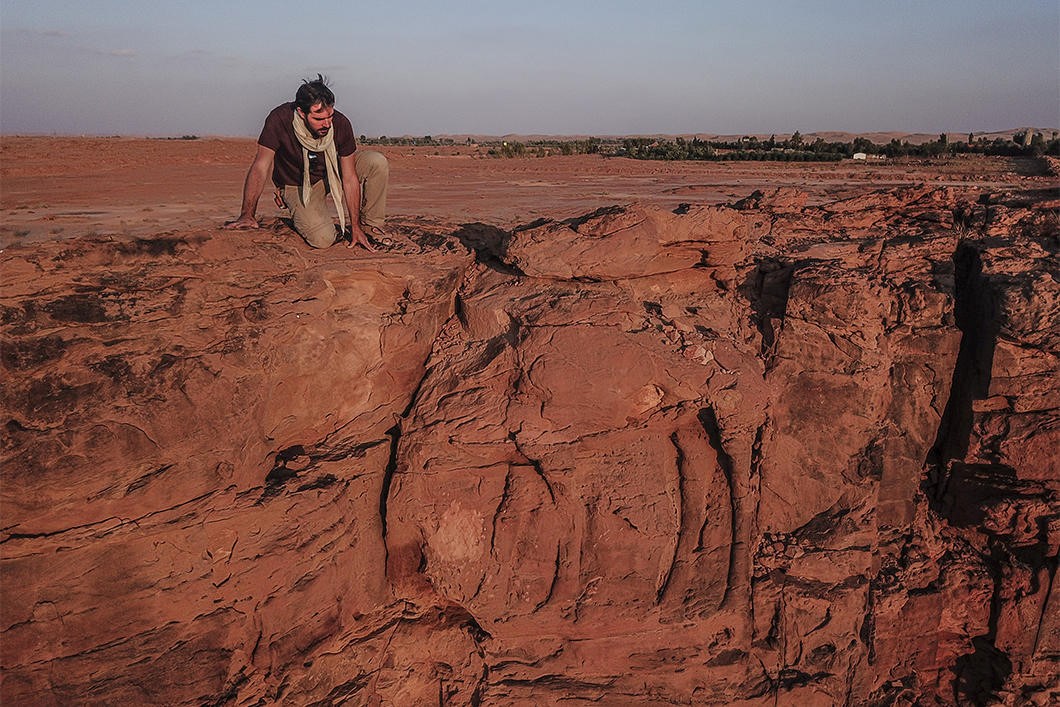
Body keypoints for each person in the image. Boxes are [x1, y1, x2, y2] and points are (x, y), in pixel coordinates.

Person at [225, 75, 388, 251]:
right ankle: (300, 213)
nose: (326, 124)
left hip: (332, 172)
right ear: (302, 113)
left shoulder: (340, 123)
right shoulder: (279, 119)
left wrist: (355, 226)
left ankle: (370, 225)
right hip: (298, 185)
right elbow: (260, 167)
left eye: (330, 116)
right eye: (318, 119)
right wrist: (247, 214)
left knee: (375, 162)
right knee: (323, 240)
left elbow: (349, 177)